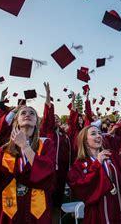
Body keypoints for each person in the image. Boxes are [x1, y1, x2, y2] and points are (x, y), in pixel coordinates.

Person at [0, 105, 55, 224]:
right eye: (23, 113)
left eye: (32, 113)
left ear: (36, 122)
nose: (27, 114)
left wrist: (24, 145)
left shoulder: (46, 144)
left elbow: (48, 172)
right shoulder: (4, 149)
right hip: (9, 207)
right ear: (16, 120)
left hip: (37, 206)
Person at [67, 125, 121, 224]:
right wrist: (97, 163)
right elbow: (84, 189)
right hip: (96, 214)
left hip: (116, 210)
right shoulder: (78, 165)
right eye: (93, 134)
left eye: (100, 133)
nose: (99, 136)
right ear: (85, 141)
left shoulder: (111, 157)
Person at [39, 82, 71, 223]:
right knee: (47, 200)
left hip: (62, 172)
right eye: (55, 118)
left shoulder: (65, 136)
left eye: (58, 118)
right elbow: (48, 117)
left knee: (58, 202)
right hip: (50, 171)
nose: (56, 120)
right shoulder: (48, 132)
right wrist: (47, 95)